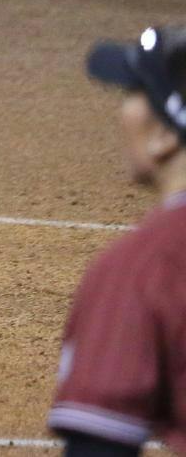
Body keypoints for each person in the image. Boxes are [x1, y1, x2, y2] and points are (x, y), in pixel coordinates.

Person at [48, 26, 186, 456]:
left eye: (134, 92)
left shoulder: (149, 262)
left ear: (165, 134)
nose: (121, 110)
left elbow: (98, 447)